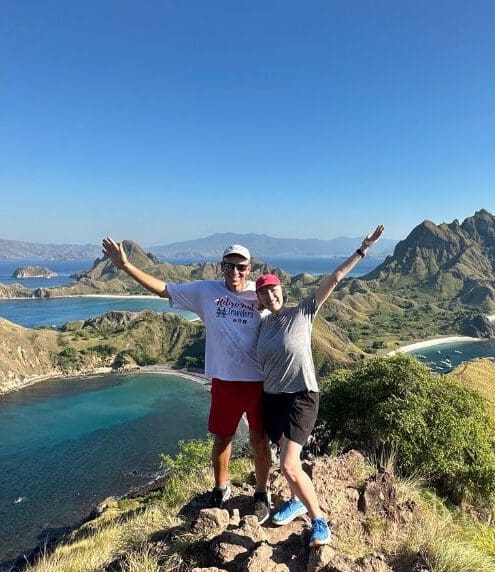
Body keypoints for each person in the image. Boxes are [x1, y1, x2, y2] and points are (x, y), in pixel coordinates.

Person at [101, 238, 272, 523]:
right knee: (222, 438)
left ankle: (261, 494)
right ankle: (220, 489)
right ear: (222, 267)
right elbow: (162, 289)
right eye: (229, 266)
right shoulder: (206, 291)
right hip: (224, 382)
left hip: (258, 382)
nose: (234, 272)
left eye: (240, 267)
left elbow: (290, 316)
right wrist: (126, 265)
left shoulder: (261, 294)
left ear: (249, 268)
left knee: (259, 440)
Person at [255, 225, 384, 546]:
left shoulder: (303, 312)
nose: (270, 295)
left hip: (302, 397)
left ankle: (319, 520)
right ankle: (296, 501)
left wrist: (362, 250)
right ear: (257, 297)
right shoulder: (261, 325)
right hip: (271, 400)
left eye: (274, 290)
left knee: (287, 464)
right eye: (263, 292)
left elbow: (335, 278)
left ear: (281, 290)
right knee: (289, 463)